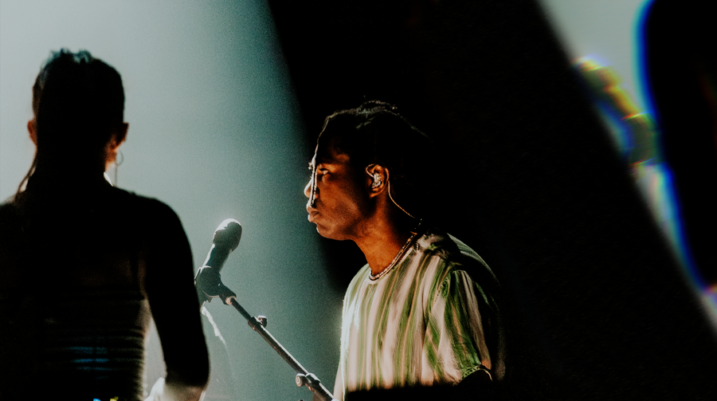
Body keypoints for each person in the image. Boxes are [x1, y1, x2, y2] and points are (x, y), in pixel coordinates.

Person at [0, 49, 209, 401]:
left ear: (34, 131)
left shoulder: (3, 230)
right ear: (119, 134)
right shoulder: (153, 227)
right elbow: (190, 375)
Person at [303, 101, 505, 400]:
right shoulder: (359, 287)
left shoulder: (445, 275)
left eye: (323, 172)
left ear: (375, 178)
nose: (309, 190)